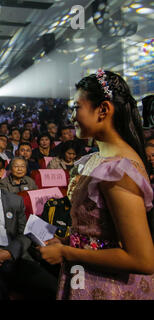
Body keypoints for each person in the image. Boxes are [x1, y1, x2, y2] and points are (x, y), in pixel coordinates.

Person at [39, 70, 154, 300]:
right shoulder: (101, 159)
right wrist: (67, 240)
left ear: (103, 110)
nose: (71, 117)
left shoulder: (118, 170)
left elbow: (142, 259)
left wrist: (66, 252)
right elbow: (102, 233)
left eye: (76, 108)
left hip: (112, 289)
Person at [0, 154, 57, 300]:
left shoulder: (15, 200)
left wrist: (10, 252)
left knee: (53, 287)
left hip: (14, 258)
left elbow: (25, 233)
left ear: (1, 173)